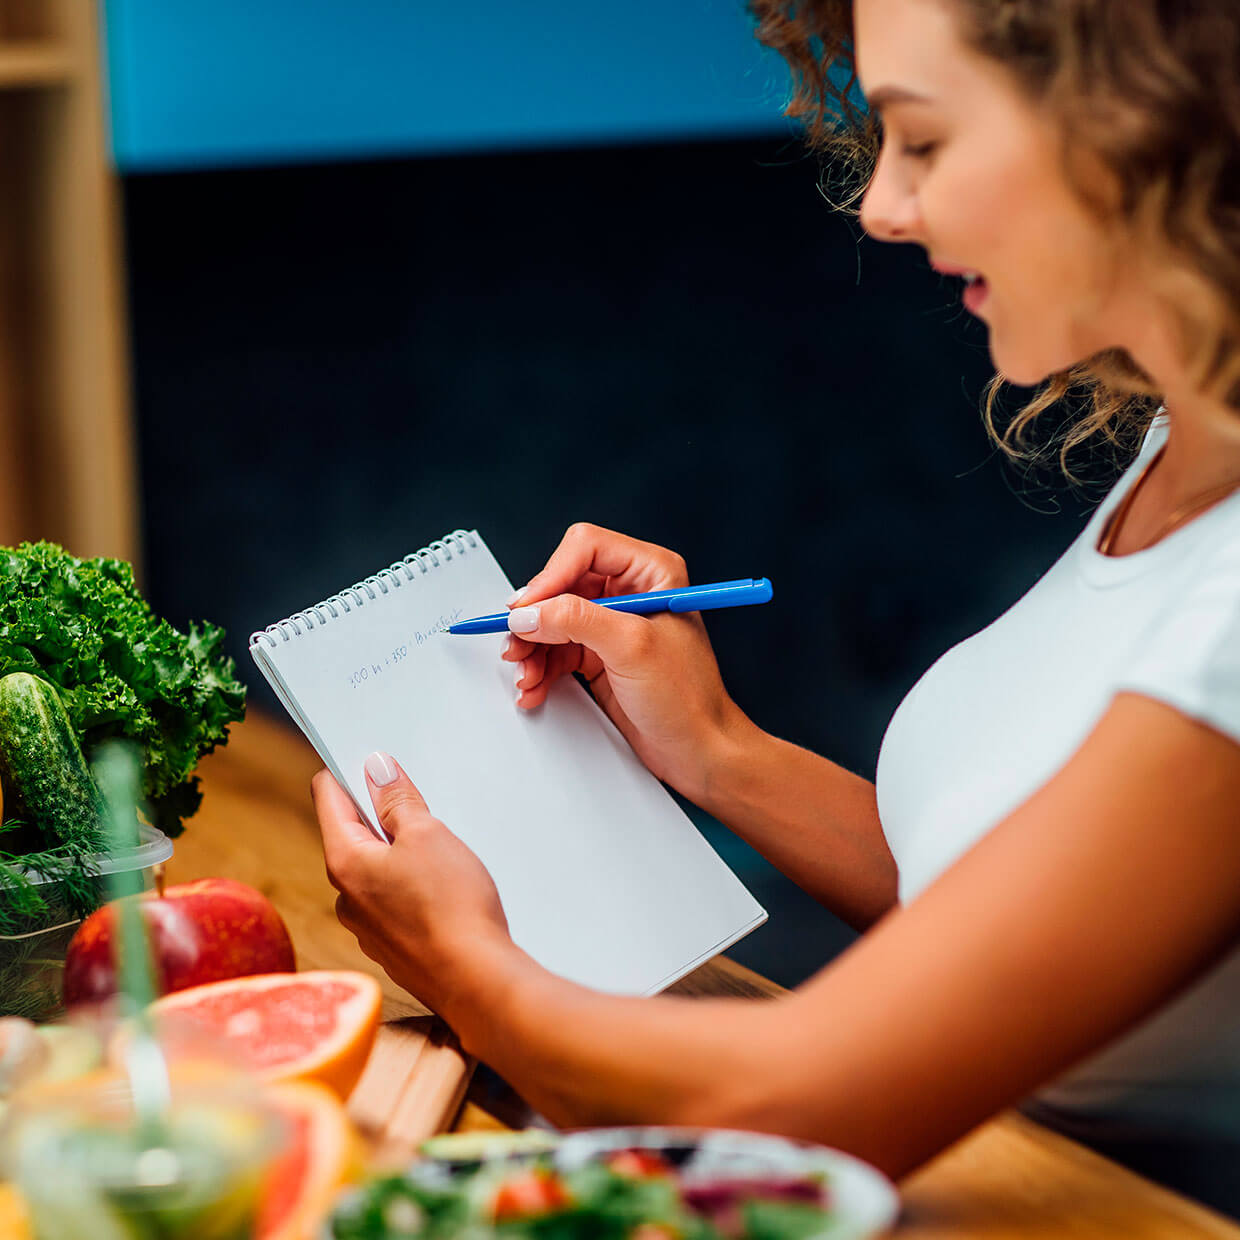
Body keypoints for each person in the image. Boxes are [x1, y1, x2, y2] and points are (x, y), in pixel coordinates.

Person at [312, 0, 1240, 1213]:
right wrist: (717, 749)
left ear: (1140, 128)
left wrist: (463, 961)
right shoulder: (1189, 437)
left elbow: (785, 1113)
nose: (882, 206)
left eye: (924, 139)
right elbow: (1024, 917)